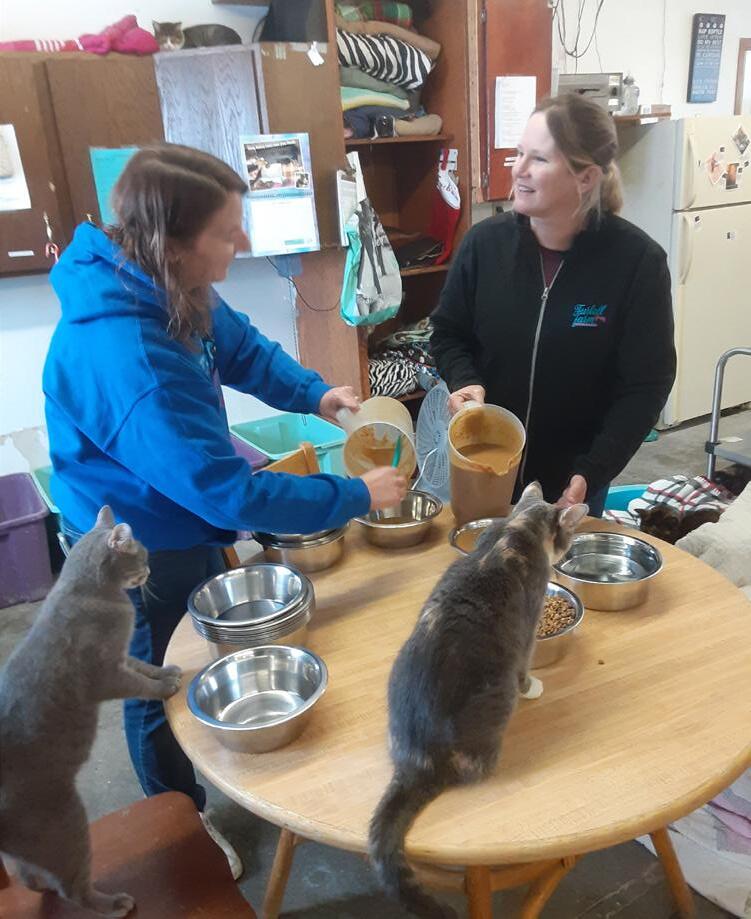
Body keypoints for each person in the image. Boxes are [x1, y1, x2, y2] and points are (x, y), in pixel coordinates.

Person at [43, 144, 407, 875]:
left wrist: (315, 393)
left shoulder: (167, 281)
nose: (240, 241)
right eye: (226, 231)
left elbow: (239, 348)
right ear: (172, 242)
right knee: (153, 678)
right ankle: (177, 818)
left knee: (195, 644)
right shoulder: (128, 355)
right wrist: (355, 495)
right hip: (129, 542)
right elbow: (229, 492)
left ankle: (212, 762)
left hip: (178, 509)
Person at [430, 94, 676, 517]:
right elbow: (448, 333)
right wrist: (465, 380)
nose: (518, 169)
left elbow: (646, 385)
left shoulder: (637, 263)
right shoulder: (484, 245)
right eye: (519, 153)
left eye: (539, 159)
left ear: (586, 177)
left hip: (573, 483)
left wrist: (591, 472)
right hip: (482, 469)